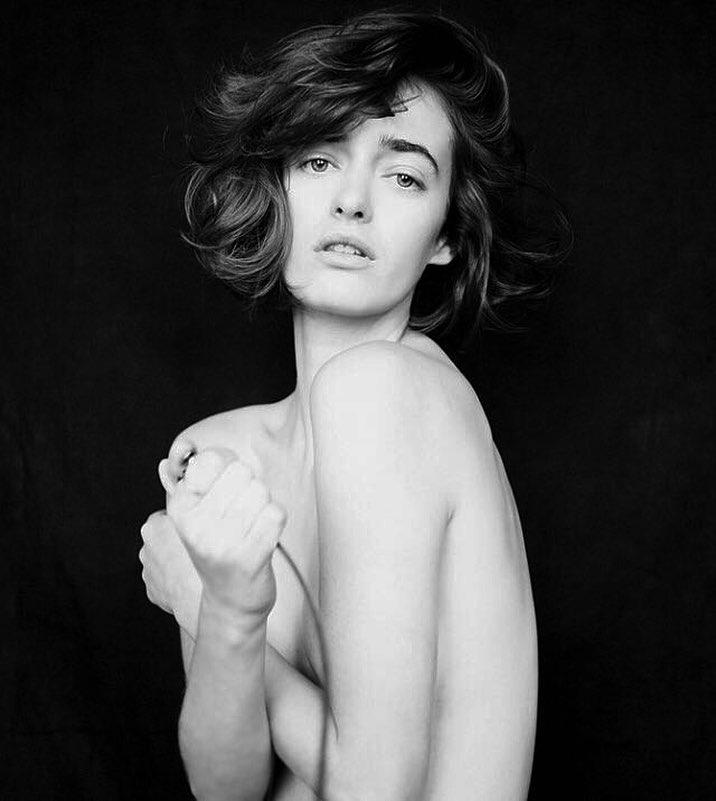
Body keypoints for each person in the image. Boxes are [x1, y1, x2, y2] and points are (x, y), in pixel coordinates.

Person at [139, 9, 569, 800]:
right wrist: (228, 613)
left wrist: (203, 599)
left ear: (446, 234)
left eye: (403, 176)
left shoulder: (387, 388)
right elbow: (226, 787)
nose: (352, 202)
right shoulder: (223, 451)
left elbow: (374, 789)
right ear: (277, 187)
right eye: (318, 161)